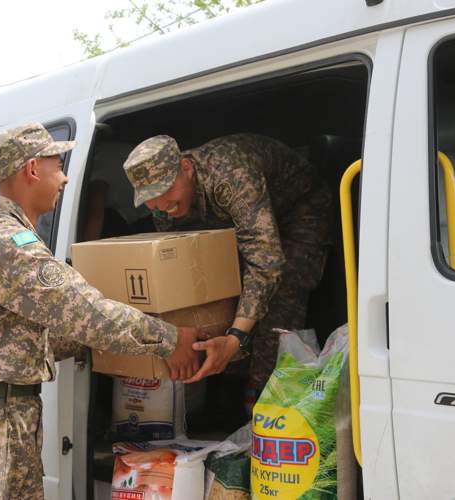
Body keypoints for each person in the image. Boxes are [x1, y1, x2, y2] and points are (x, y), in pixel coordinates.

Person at [0, 123, 200, 499]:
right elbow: (85, 311)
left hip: (9, 416)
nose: (66, 178)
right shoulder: (8, 242)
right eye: (58, 165)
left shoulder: (14, 237)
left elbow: (35, 337)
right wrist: (169, 340)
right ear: (32, 169)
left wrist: (111, 347)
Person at [123, 133, 332, 408]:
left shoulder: (230, 174)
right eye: (151, 199)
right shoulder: (164, 204)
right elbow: (182, 265)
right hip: (243, 224)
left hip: (298, 213)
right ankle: (230, 393)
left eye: (166, 190)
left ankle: (266, 400)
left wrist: (236, 338)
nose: (162, 205)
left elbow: (267, 260)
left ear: (186, 168)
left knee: (279, 296)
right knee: (225, 288)